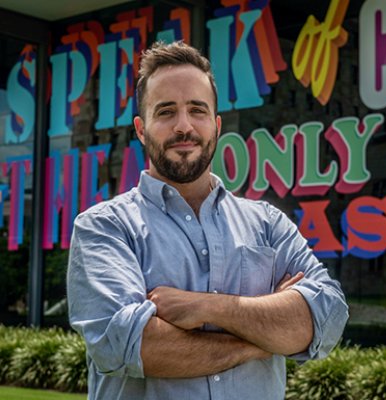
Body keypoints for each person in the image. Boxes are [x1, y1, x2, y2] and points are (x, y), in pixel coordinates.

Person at [67, 41, 348, 400]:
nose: (184, 126)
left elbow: (326, 317)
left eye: (197, 110)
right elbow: (133, 347)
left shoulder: (268, 224)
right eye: (166, 112)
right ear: (141, 129)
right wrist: (264, 340)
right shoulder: (104, 227)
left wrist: (207, 307)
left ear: (216, 125)